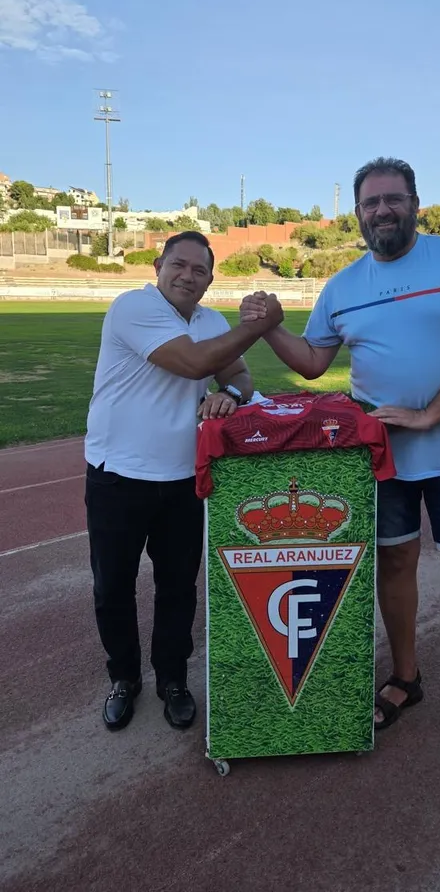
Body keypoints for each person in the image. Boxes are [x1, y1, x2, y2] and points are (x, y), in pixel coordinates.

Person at [240, 159, 440, 780]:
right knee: (394, 565)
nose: (382, 211)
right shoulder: (342, 285)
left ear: (415, 204)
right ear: (358, 213)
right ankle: (405, 677)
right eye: (370, 203)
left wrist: (429, 415)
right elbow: (313, 363)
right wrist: (268, 329)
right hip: (380, 459)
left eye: (393, 199)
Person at [85, 230, 283, 732]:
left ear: (210, 279)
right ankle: (124, 678)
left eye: (199, 270)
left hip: (183, 480)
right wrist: (258, 326)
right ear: (158, 266)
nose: (187, 276)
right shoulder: (133, 308)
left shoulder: (211, 321)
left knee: (178, 587)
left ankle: (172, 679)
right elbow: (195, 362)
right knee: (113, 586)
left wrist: (230, 396)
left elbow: (239, 375)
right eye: (179, 264)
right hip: (118, 476)